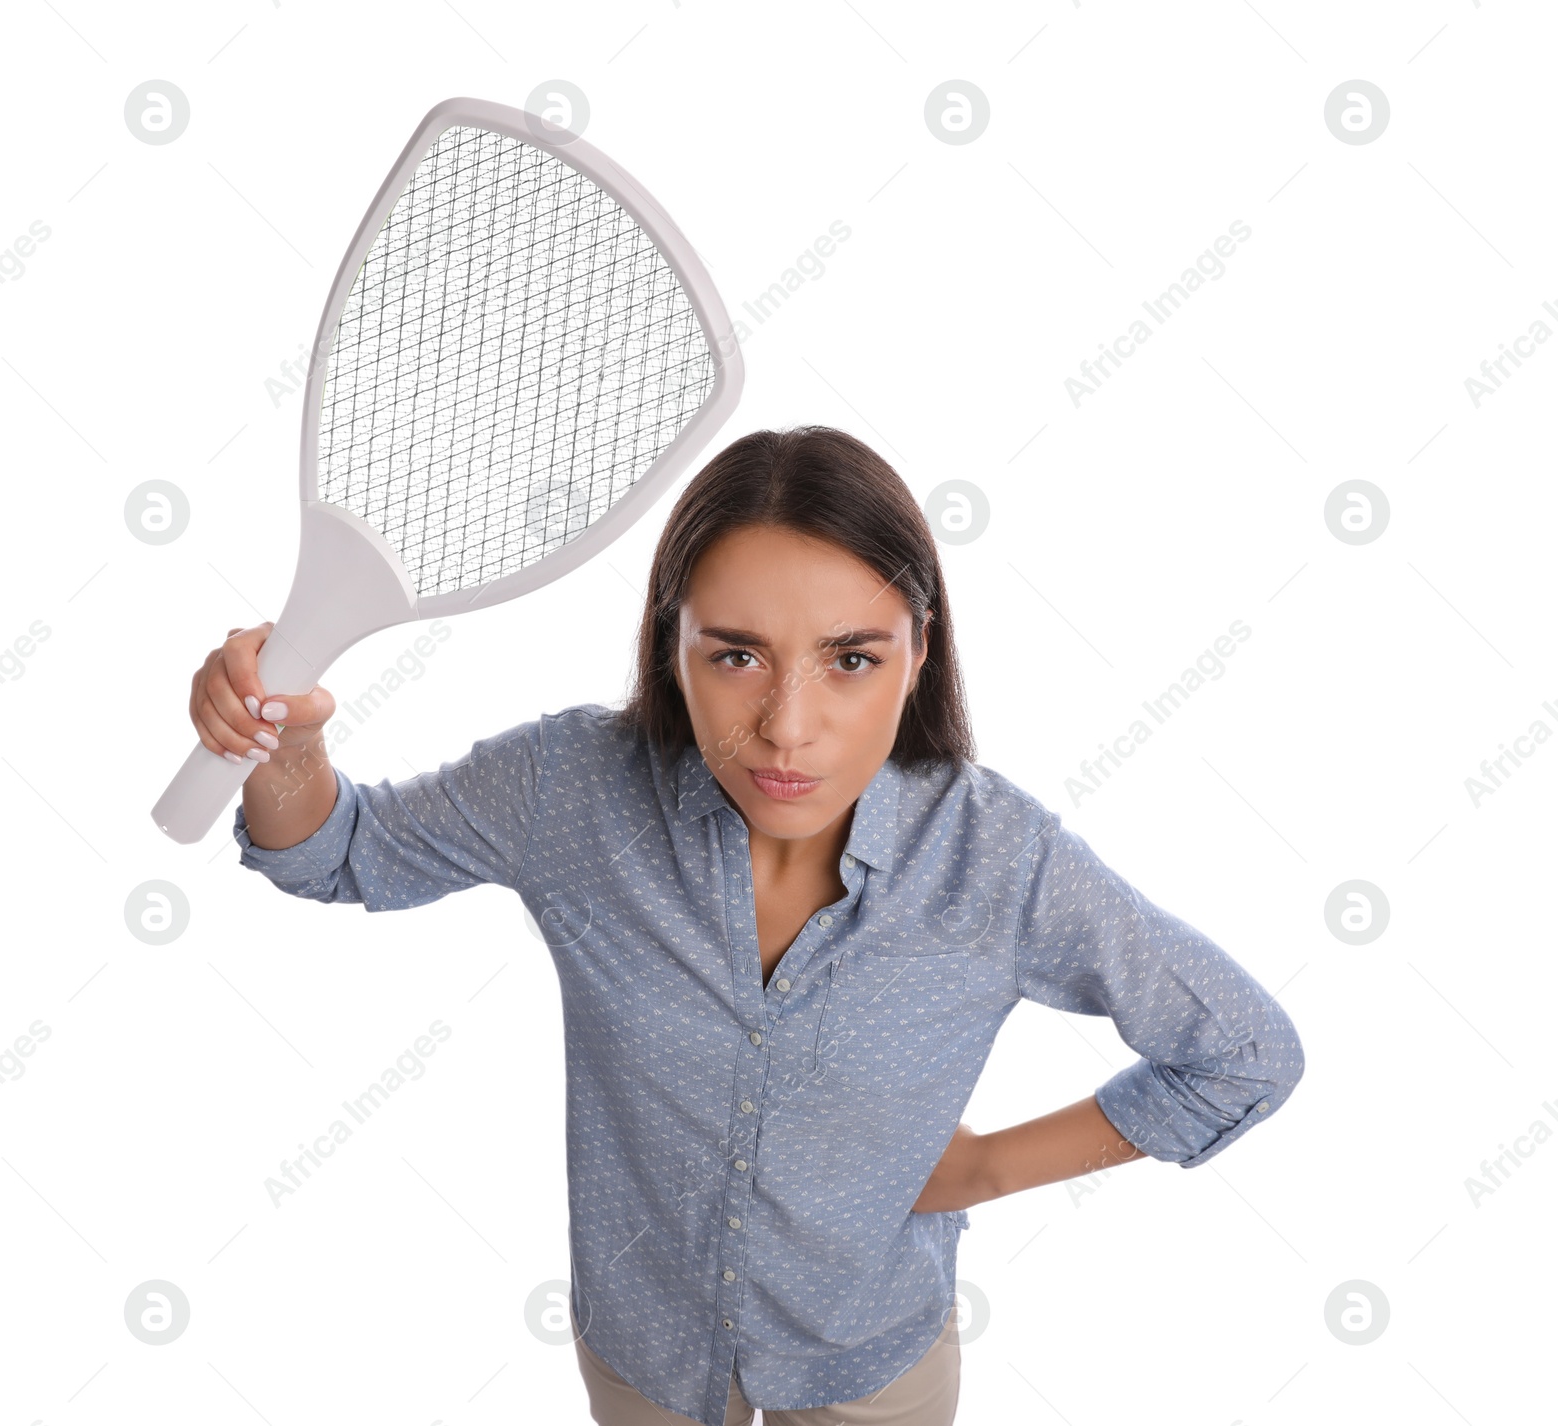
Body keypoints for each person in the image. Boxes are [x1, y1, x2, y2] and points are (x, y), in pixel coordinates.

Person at [191, 426, 1305, 1426]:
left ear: (919, 651)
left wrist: (976, 1170)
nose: (787, 728)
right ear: (669, 647)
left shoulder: (997, 861)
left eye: (851, 658)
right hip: (644, 1355)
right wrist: (283, 736)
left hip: (871, 1359)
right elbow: (336, 853)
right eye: (735, 655)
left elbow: (1240, 1053)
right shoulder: (571, 789)